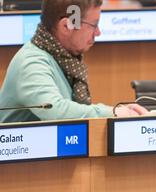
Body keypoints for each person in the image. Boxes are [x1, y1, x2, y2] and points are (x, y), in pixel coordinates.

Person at [0, 0, 147, 123]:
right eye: (94, 25)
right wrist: (114, 113)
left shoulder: (65, 58)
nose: (98, 33)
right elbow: (56, 111)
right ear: (66, 26)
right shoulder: (30, 63)